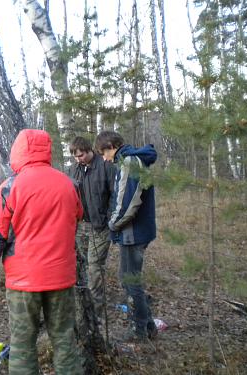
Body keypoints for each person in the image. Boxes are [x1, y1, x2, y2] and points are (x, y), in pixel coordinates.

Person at [0, 129, 84, 375]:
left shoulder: (9, 187)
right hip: (61, 276)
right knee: (64, 339)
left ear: (18, 151)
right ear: (47, 150)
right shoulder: (68, 183)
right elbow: (79, 215)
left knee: (23, 343)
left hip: (23, 281)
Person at [94, 130, 158, 341]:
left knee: (131, 281)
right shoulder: (131, 159)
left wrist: (112, 225)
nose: (104, 158)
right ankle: (148, 326)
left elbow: (128, 203)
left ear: (111, 146)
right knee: (131, 279)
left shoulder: (129, 161)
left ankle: (139, 331)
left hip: (133, 232)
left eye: (104, 152)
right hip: (137, 231)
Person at [68, 136, 115, 321]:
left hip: (100, 226)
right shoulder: (72, 171)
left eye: (81, 155)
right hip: (80, 226)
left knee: (95, 267)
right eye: (75, 156)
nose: (79, 159)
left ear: (89, 151)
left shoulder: (105, 167)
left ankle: (97, 314)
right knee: (82, 266)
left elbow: (115, 194)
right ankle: (83, 309)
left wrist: (110, 219)